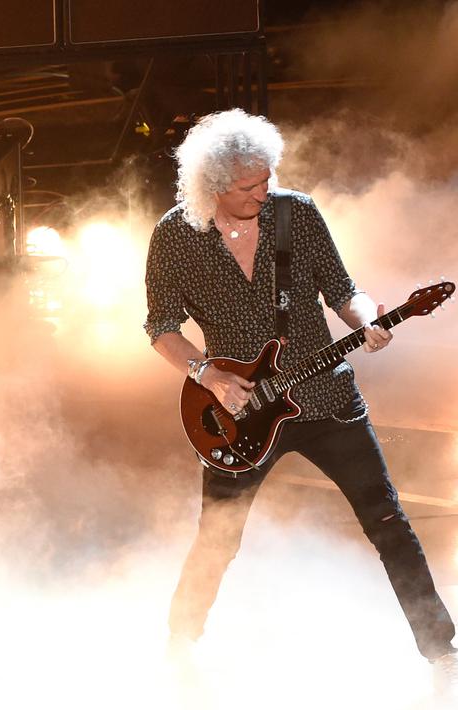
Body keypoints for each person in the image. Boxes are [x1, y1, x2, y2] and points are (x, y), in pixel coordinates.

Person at [143, 109, 457, 689]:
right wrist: (208, 374)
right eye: (248, 187)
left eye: (267, 179)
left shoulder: (297, 214)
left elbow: (344, 290)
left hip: (327, 402)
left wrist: (369, 320)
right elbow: (160, 327)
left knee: (388, 521)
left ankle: (443, 652)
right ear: (211, 186)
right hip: (239, 418)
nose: (263, 193)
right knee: (219, 535)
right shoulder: (175, 237)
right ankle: (180, 641)